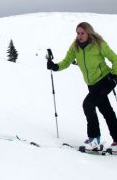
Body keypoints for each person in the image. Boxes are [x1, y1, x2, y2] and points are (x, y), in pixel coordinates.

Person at [47, 22, 117, 153]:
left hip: (104, 81)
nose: (79, 36)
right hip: (91, 85)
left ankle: (94, 140)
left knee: (88, 105)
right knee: (106, 111)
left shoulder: (98, 44)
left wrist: (115, 76)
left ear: (89, 33)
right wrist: (55, 66)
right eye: (78, 33)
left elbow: (115, 59)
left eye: (82, 33)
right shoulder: (75, 47)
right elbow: (67, 61)